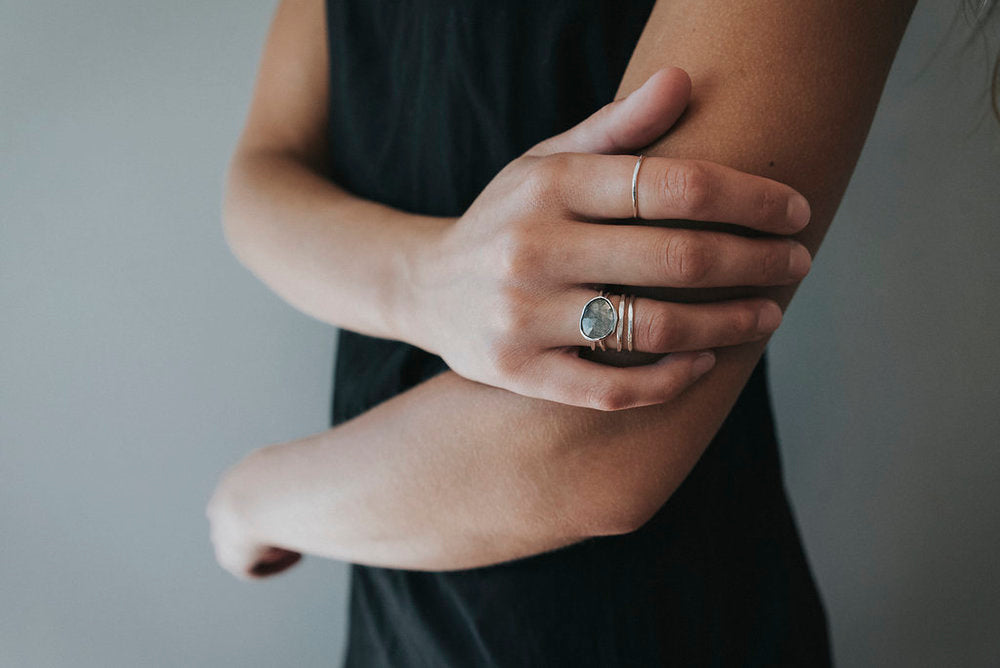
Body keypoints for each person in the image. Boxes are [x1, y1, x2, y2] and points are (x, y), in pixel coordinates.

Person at [207, 0, 919, 664]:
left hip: (646, 625)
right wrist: (424, 281)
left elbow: (587, 452)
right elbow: (263, 171)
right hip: (392, 613)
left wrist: (254, 501)